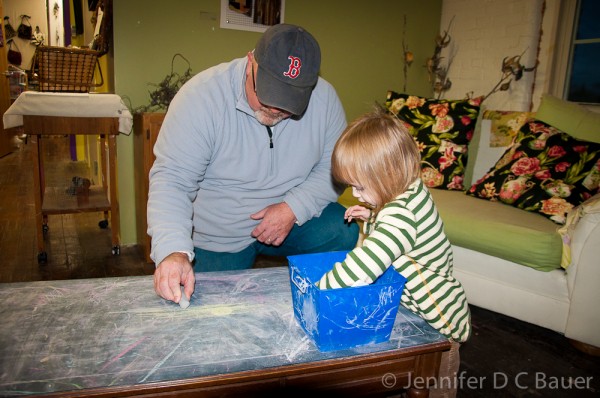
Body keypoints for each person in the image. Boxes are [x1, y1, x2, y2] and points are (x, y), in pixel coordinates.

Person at [148, 24, 358, 305]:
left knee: (342, 229)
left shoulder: (325, 99)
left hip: (289, 219)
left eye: (289, 101)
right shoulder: (200, 98)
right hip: (218, 234)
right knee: (204, 313)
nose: (275, 109)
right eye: (268, 93)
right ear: (250, 62)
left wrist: (293, 208)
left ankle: (313, 299)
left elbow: (334, 171)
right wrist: (173, 250)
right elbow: (172, 180)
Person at [317, 108, 470, 398]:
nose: (356, 194)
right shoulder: (407, 190)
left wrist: (321, 290)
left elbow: (364, 266)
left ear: (388, 175)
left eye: (360, 187)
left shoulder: (400, 215)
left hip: (439, 323)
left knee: (436, 387)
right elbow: (399, 230)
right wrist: (373, 215)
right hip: (414, 307)